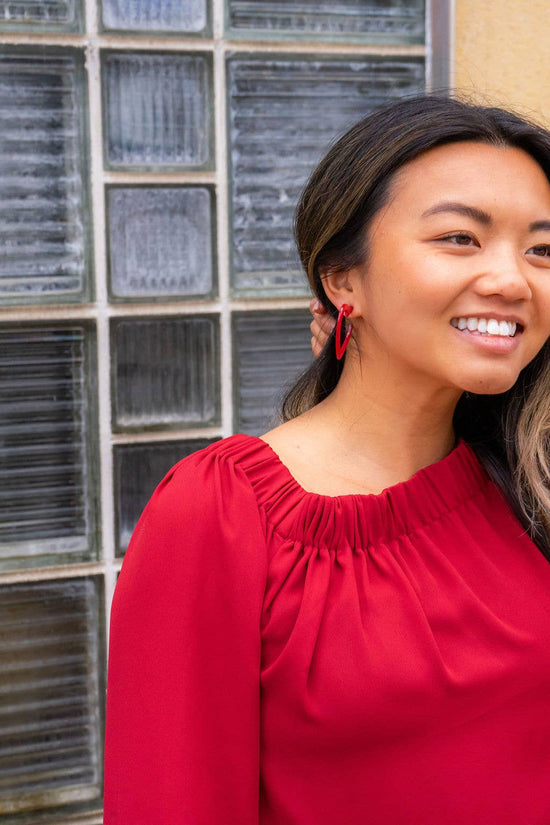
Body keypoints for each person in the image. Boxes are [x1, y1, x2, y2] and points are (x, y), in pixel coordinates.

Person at [103, 95, 550, 824]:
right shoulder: (222, 512)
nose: (513, 279)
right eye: (461, 238)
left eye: (542, 249)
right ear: (342, 280)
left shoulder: (527, 486)